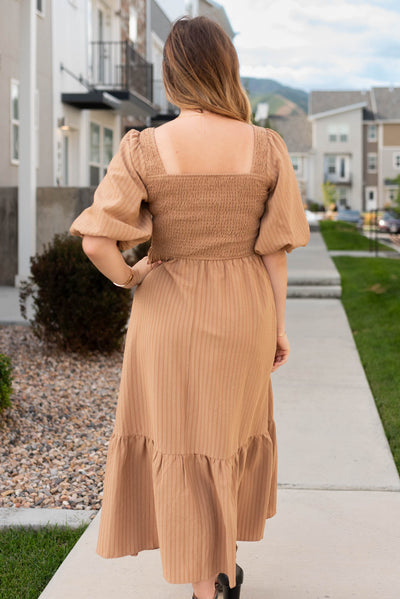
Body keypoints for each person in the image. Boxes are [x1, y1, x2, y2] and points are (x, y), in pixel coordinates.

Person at [69, 15, 310, 599]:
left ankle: (208, 585)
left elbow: (97, 240)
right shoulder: (267, 146)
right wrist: (277, 328)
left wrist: (131, 277)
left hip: (168, 310)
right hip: (244, 310)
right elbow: (276, 252)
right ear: (226, 68)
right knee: (226, 434)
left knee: (182, 438)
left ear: (173, 72)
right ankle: (218, 572)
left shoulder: (144, 148)